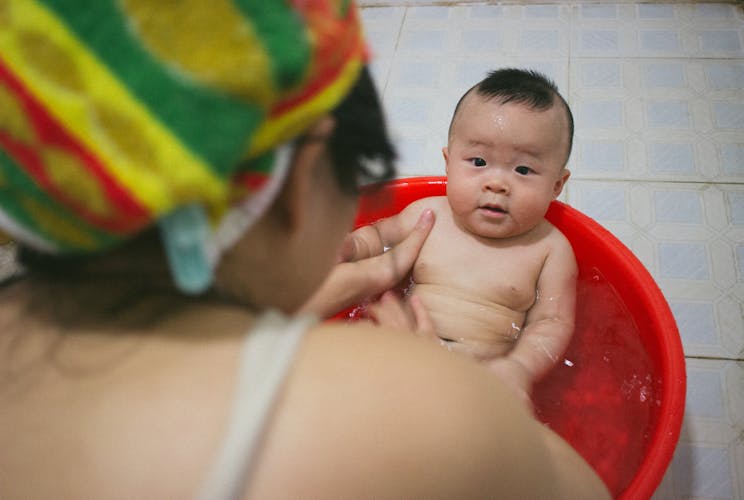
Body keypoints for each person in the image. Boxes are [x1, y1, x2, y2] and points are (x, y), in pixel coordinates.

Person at [0, 3, 609, 499]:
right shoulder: (420, 403)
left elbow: (551, 319)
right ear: (303, 178)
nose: (497, 182)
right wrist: (452, 390)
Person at [350, 69, 577, 404]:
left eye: (523, 169)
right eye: (479, 161)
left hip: (474, 382)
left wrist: (519, 367)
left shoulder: (550, 250)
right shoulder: (429, 214)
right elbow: (377, 237)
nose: (496, 183)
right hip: (396, 350)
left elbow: (552, 322)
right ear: (448, 163)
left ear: (557, 185)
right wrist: (350, 246)